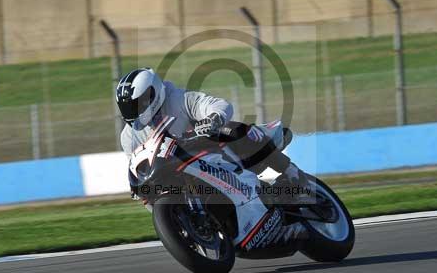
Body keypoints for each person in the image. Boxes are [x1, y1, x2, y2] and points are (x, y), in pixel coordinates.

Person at [115, 67, 305, 193]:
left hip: (212, 152)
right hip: (181, 174)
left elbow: (219, 105)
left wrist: (213, 119)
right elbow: (141, 172)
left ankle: (290, 171)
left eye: (137, 105)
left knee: (231, 129)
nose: (133, 112)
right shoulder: (129, 138)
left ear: (152, 94)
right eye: (128, 108)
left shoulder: (178, 99)